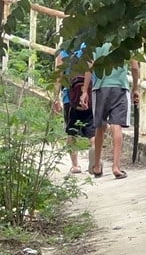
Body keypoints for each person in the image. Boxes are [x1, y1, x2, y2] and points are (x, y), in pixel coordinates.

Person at [79, 43, 139, 179]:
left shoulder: (96, 40)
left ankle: (97, 166)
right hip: (120, 87)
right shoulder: (127, 40)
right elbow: (134, 67)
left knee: (99, 126)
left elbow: (89, 67)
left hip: (99, 88)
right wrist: (135, 88)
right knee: (116, 125)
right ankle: (116, 167)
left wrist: (84, 91)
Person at [52, 44, 96, 174]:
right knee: (92, 132)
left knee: (71, 132)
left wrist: (56, 97)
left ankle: (75, 165)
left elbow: (58, 76)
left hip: (69, 97)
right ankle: (94, 163)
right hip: (89, 95)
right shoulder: (88, 48)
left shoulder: (63, 52)